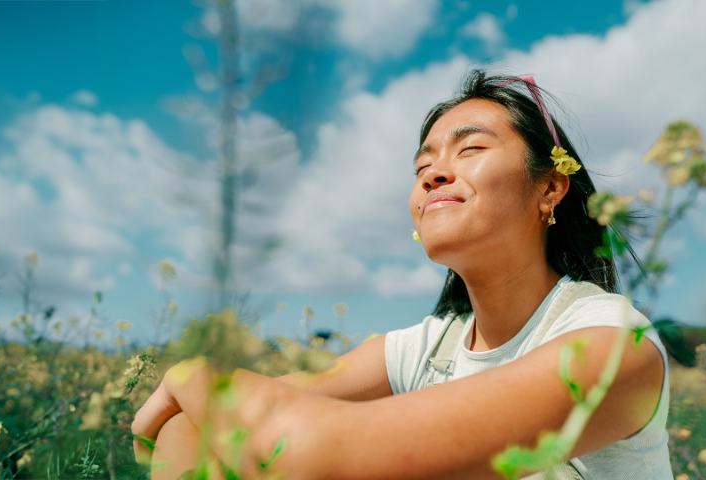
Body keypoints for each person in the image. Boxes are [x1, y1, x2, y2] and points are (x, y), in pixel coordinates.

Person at [132, 69, 673, 479]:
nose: (435, 173)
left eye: (472, 149)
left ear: (550, 188)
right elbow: (209, 423)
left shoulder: (614, 348)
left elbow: (313, 452)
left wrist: (194, 376)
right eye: (422, 167)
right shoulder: (425, 348)